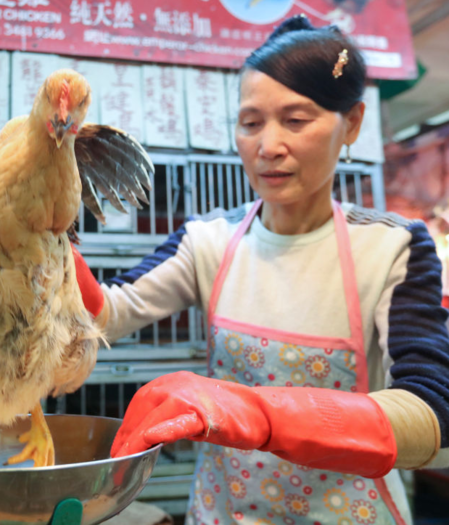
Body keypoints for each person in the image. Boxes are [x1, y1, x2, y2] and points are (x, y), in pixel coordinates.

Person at [72, 15, 449, 525]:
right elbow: (105, 313)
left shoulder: (393, 247)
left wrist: (259, 414)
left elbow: (432, 413)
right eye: (251, 123)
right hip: (223, 511)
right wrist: (48, 238)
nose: (267, 146)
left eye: (296, 120)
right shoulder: (208, 240)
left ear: (352, 123)